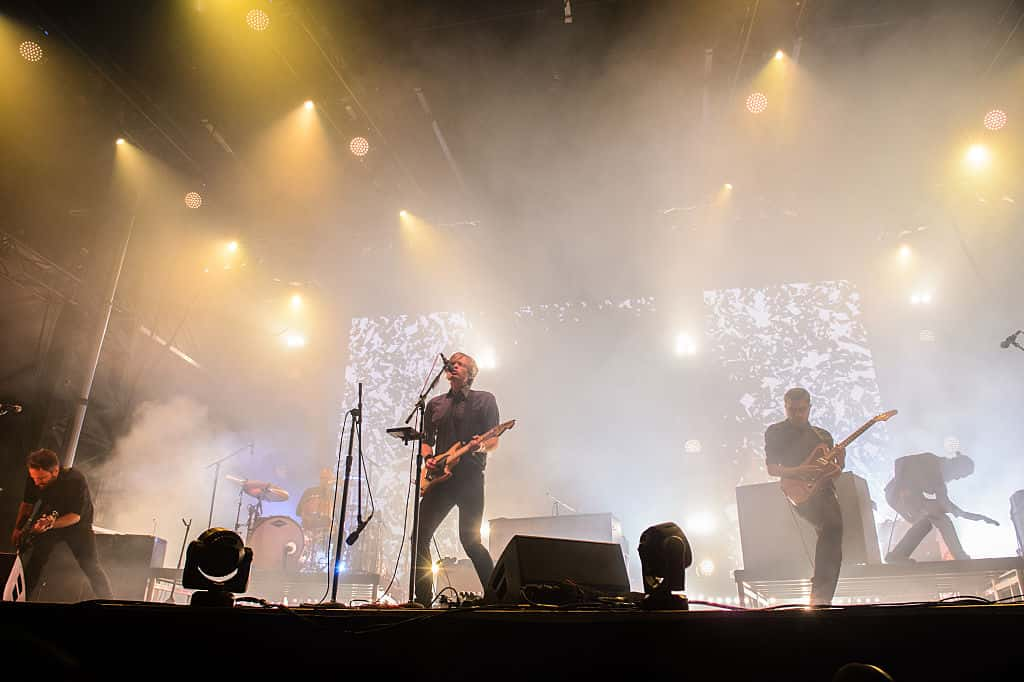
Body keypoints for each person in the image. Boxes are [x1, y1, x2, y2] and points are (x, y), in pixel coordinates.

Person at [414, 352, 501, 607]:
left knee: (470, 540)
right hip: (440, 479)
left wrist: (479, 447)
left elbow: (494, 439)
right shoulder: (435, 404)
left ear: (470, 373)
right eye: (451, 362)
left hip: (470, 479)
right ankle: (422, 599)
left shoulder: (485, 400)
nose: (453, 365)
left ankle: (496, 598)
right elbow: (426, 441)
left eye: (460, 363)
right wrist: (429, 458)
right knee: (419, 537)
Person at [764, 387, 846, 606]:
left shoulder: (823, 435)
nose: (797, 414)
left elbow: (835, 471)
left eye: (801, 410)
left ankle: (822, 596)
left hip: (825, 489)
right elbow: (772, 468)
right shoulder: (776, 432)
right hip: (797, 489)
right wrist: (798, 471)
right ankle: (820, 594)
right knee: (830, 525)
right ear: (786, 407)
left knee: (834, 528)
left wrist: (841, 460)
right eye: (792, 410)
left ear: (809, 408)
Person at [10, 448, 112, 600]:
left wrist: (50, 525)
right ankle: (20, 599)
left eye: (42, 479)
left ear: (55, 471)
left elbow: (75, 516)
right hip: (49, 519)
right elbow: (27, 505)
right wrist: (18, 529)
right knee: (34, 562)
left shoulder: (75, 480)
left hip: (78, 526)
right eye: (34, 478)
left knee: (90, 565)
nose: (37, 483)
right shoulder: (34, 478)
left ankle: (108, 602)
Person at [883, 451, 998, 563]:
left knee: (938, 520)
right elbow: (900, 462)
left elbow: (949, 507)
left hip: (912, 499)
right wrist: (900, 488)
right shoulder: (931, 460)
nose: (957, 478)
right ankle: (897, 556)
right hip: (895, 492)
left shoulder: (939, 484)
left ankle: (959, 556)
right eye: (960, 474)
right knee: (930, 519)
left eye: (961, 477)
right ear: (955, 464)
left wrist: (979, 517)